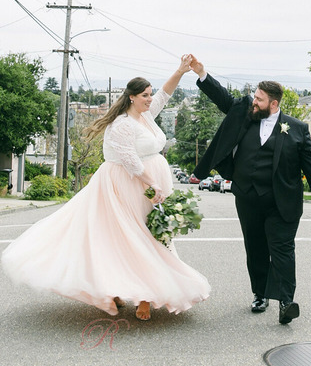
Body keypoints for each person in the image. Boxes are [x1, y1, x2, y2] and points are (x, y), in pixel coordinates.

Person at [2, 56, 210, 321]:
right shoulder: (122, 124)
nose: (150, 98)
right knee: (128, 239)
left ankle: (144, 293)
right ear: (132, 97)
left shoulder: (146, 115)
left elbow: (165, 93)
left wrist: (180, 71)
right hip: (126, 184)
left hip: (149, 182)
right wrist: (153, 184)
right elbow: (131, 162)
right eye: (145, 95)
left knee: (153, 236)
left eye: (149, 94)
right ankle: (137, 295)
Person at [189, 54, 311, 324]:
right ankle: (260, 294)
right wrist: (202, 73)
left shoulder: (297, 128)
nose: (254, 102)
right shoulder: (246, 114)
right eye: (254, 97)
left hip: (282, 201)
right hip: (248, 197)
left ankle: (286, 302)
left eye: (259, 99)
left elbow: (310, 161)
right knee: (255, 248)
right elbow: (223, 99)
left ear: (274, 104)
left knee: (282, 250)